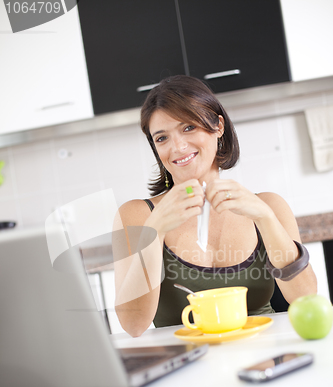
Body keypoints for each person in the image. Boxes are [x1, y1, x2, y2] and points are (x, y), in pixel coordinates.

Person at [113, 75, 317, 337]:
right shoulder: (136, 215)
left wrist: (266, 218)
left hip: (265, 353)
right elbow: (133, 326)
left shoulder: (269, 205)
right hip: (185, 364)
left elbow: (306, 296)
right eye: (162, 138)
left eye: (188, 128)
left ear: (218, 126)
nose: (177, 146)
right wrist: (155, 230)